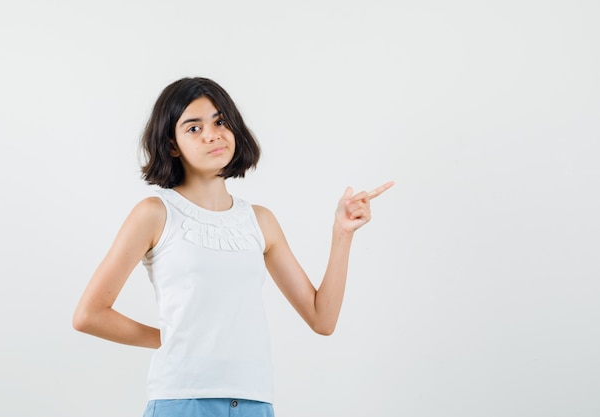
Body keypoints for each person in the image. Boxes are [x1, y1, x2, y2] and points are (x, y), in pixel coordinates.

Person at [72, 76, 394, 417]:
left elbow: (322, 319)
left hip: (254, 401)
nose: (212, 134)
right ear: (171, 145)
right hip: (183, 399)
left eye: (220, 121)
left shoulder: (260, 221)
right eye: (193, 128)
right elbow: (89, 315)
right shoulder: (154, 214)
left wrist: (342, 233)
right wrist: (173, 340)